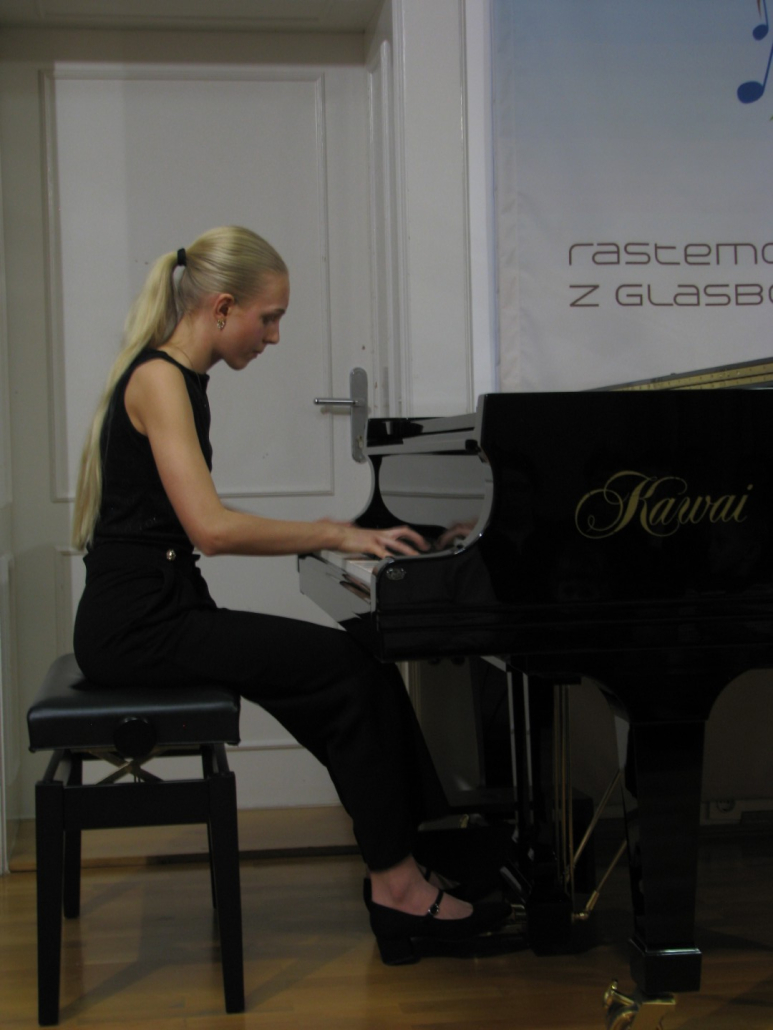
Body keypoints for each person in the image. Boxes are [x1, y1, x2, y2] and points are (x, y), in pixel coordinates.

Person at [71, 226, 510, 965]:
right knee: (344, 672)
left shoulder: (176, 378)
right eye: (268, 317)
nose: (273, 336)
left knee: (352, 671)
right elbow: (211, 529)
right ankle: (398, 886)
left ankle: (414, 856)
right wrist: (335, 532)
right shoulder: (161, 379)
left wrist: (343, 535)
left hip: (160, 612)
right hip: (138, 627)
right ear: (221, 307)